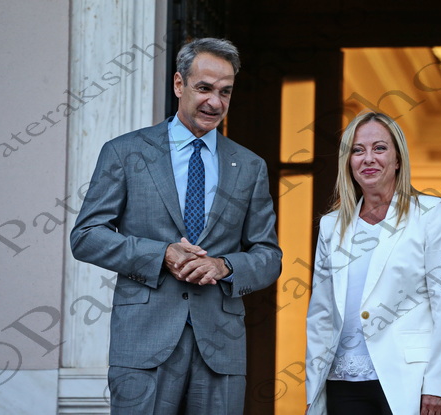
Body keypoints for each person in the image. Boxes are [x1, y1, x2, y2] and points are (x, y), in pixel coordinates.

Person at [70, 38, 282, 415]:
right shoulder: (125, 152)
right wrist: (161, 254)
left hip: (220, 346)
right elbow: (86, 236)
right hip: (142, 341)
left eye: (225, 91)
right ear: (179, 84)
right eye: (204, 88)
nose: (215, 102)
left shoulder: (250, 166)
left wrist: (225, 266)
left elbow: (269, 256)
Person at [305, 112, 441, 415]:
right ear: (348, 161)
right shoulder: (331, 225)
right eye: (358, 150)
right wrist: (314, 391)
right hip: (341, 382)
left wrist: (438, 385)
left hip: (410, 382)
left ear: (398, 159)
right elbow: (321, 315)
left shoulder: (432, 214)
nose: (368, 158)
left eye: (379, 148)